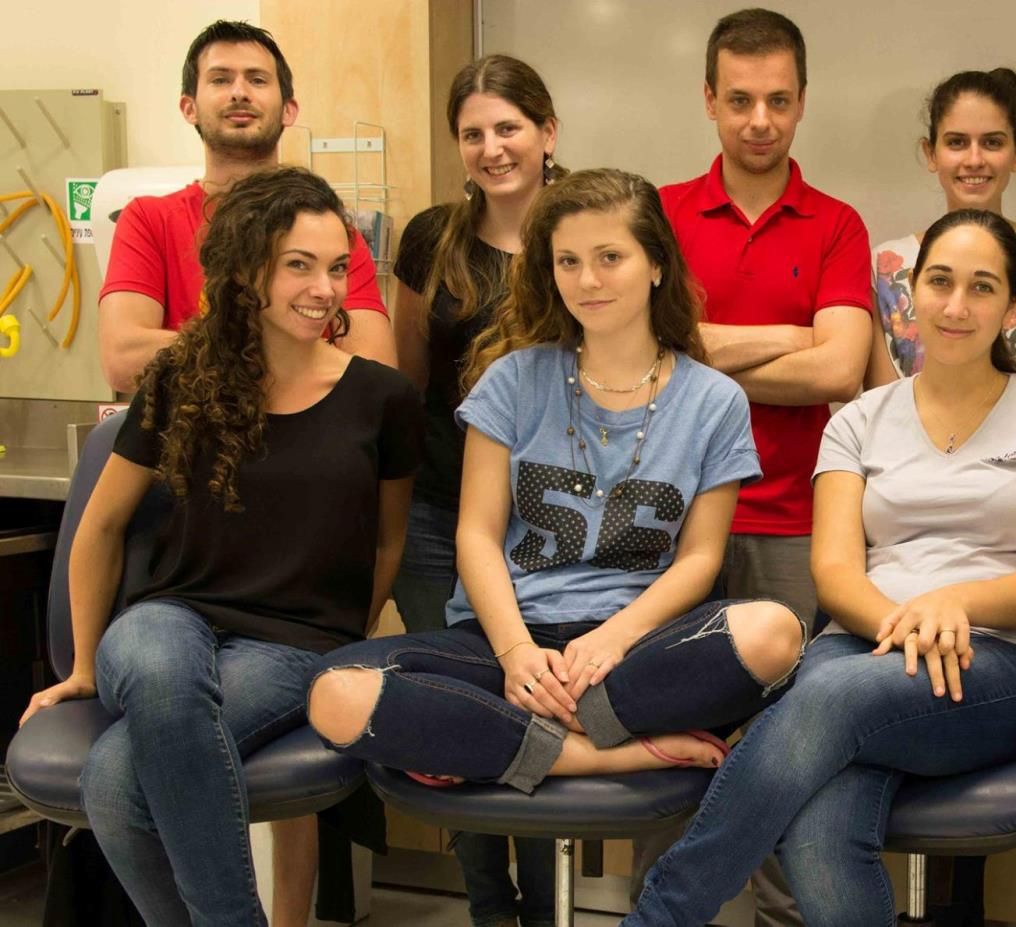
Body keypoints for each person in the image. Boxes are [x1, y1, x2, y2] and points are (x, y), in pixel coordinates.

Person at [623, 208, 1016, 927]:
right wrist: (905, 627)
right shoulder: (858, 419)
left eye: (981, 287)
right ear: (910, 294)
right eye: (939, 281)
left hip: (999, 662)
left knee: (823, 698)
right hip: (864, 648)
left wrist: (953, 604)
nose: (956, 304)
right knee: (820, 830)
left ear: (1012, 305)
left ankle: (662, 914)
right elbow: (836, 571)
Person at [304, 168, 804, 811]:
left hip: (639, 652)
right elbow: (477, 534)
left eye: (610, 257)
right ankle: (592, 752)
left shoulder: (715, 400)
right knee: (334, 692)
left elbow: (701, 560)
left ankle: (494, 743)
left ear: (656, 264)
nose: (588, 280)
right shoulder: (511, 380)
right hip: (505, 643)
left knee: (775, 634)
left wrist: (611, 640)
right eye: (568, 261)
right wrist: (516, 653)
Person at [19, 166, 421, 926]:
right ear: (246, 271)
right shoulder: (182, 378)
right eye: (298, 265)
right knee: (162, 666)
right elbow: (101, 525)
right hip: (167, 617)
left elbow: (387, 538)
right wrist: (79, 666)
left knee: (114, 779)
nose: (324, 288)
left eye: (336, 267)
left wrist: (345, 634)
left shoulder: (383, 397)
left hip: (293, 643)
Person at [651, 9, 873, 921]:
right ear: (708, 99)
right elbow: (644, 358)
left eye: (777, 101)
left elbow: (838, 368)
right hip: (666, 527)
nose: (758, 120)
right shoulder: (656, 214)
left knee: (787, 759)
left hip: (794, 527)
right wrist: (783, 334)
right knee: (669, 750)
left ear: (801, 103)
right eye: (738, 99)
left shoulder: (836, 224)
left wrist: (701, 350)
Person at [389, 54, 565, 927]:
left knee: (535, 709)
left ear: (547, 133)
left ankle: (546, 911)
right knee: (460, 721)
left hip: (551, 527)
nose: (493, 148)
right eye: (474, 133)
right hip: (436, 515)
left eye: (509, 128)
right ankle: (490, 908)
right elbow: (411, 377)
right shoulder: (431, 238)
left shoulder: (585, 229)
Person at [99, 20, 395, 394]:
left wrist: (216, 350)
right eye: (220, 80)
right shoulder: (148, 219)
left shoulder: (332, 233)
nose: (239, 92)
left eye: (257, 80)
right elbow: (124, 360)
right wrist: (295, 353)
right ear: (189, 107)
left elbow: (374, 369)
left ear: (289, 109)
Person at [867, 68, 1016, 399]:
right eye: (957, 142)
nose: (974, 159)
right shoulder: (884, 263)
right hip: (908, 451)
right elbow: (882, 407)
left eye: (992, 142)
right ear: (931, 153)